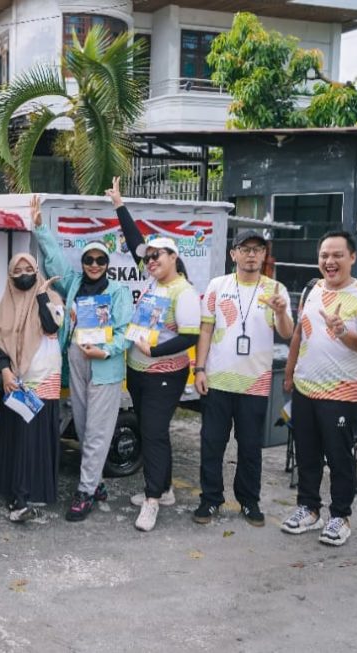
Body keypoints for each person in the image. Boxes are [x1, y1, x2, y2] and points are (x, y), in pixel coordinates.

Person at [106, 178, 202, 532]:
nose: (149, 261)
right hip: (139, 371)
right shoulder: (153, 282)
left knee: (154, 432)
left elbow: (190, 336)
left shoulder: (183, 291)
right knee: (152, 432)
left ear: (173, 257)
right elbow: (135, 243)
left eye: (156, 257)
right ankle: (165, 489)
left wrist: (156, 349)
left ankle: (151, 500)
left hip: (165, 372)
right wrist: (119, 205)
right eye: (147, 259)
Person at [30, 194, 133, 522]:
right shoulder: (74, 283)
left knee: (99, 431)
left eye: (99, 261)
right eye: (88, 260)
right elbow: (56, 262)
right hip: (76, 358)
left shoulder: (117, 291)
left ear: (107, 264)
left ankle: (86, 491)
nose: (93, 265)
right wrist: (40, 228)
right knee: (85, 425)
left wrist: (106, 350)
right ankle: (97, 481)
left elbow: (125, 331)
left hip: (105, 364)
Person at [280, 231, 357, 547]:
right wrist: (289, 371)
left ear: (352, 257)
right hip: (306, 388)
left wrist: (342, 332)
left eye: (337, 255)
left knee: (339, 457)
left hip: (343, 393)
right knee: (306, 454)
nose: (330, 261)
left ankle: (341, 516)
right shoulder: (312, 288)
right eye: (324, 255)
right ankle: (309, 509)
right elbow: (298, 334)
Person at [193, 229, 293, 527]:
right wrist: (199, 369)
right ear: (233, 253)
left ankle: (249, 501)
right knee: (212, 443)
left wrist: (283, 311)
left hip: (255, 383)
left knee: (250, 447)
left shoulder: (276, 289)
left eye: (257, 249)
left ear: (265, 255)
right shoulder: (217, 285)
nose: (251, 254)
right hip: (217, 381)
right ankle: (210, 499)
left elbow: (287, 333)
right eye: (245, 248)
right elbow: (206, 330)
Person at [0, 253, 64, 523]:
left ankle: (30, 492)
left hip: (44, 376)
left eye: (29, 269)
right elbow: (1, 339)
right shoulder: (6, 302)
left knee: (35, 437)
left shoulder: (53, 299)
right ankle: (17, 497)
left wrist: (42, 296)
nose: (23, 274)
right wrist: (6, 370)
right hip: (16, 380)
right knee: (20, 438)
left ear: (37, 271)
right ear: (10, 275)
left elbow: (51, 325)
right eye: (17, 270)